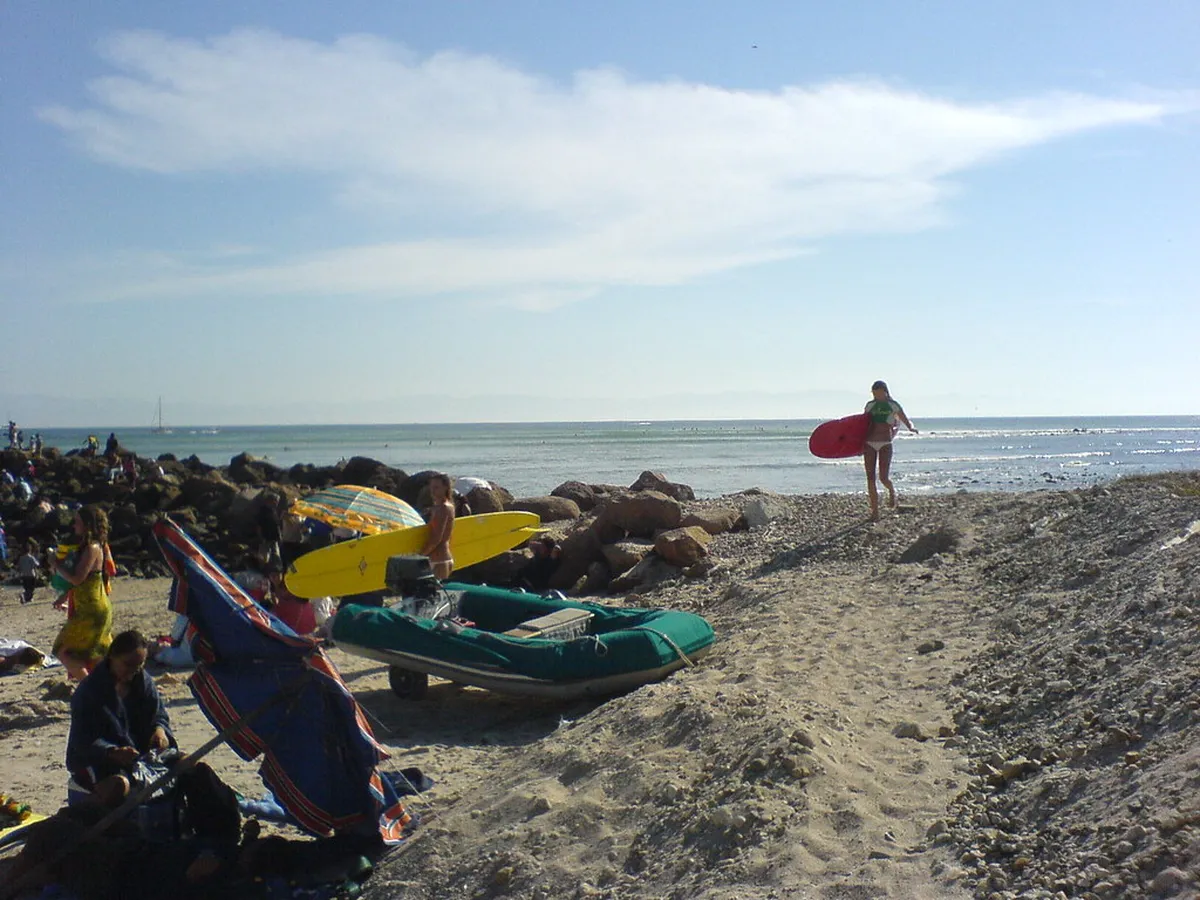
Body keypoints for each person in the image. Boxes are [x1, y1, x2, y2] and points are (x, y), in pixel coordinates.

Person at [65, 629, 175, 807]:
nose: (133, 672)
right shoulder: (88, 692)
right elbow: (82, 741)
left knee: (188, 766)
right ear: (112, 657)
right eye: (128, 665)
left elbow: (158, 715)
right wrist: (111, 752)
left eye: (139, 666)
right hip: (100, 762)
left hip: (142, 757)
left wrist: (160, 731)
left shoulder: (143, 682)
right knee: (119, 785)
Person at [52, 505, 116, 680]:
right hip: (92, 606)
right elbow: (85, 580)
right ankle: (99, 688)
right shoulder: (90, 546)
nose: (74, 526)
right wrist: (64, 596)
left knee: (62, 649)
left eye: (78, 522)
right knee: (92, 654)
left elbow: (77, 578)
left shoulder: (92, 548)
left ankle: (89, 686)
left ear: (88, 525)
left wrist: (56, 564)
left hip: (92, 609)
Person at [863, 380, 918, 521]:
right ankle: (874, 513)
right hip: (869, 443)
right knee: (870, 478)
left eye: (879, 393)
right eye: (874, 394)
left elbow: (905, 419)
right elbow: (862, 425)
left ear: (885, 391)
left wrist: (911, 428)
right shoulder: (870, 406)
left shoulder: (893, 405)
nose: (877, 396)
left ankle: (891, 491)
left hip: (885, 443)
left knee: (883, 478)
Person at [421, 473, 456, 580]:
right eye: (431, 487)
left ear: (445, 488)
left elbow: (437, 538)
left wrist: (421, 556)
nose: (432, 491)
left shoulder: (444, 508)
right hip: (438, 559)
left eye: (436, 487)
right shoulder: (438, 507)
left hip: (440, 560)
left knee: (436, 594)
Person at [17, 539, 41, 604]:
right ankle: (26, 597)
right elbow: (36, 565)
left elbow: (19, 567)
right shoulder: (31, 557)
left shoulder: (21, 558)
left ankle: (26, 598)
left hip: (24, 575)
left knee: (26, 587)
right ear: (29, 550)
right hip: (31, 574)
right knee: (31, 588)